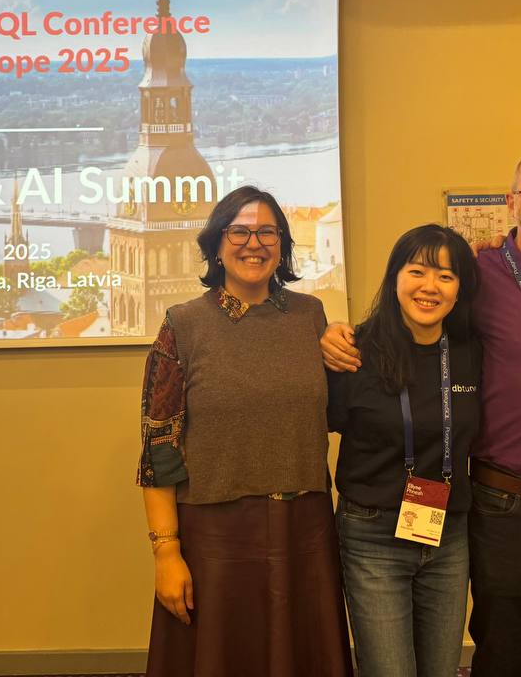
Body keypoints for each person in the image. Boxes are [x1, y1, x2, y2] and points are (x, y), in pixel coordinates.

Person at [323, 150, 521, 676]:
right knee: (501, 657)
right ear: (512, 202)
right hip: (507, 506)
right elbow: (412, 310)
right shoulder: (482, 272)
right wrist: (332, 329)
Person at [136, 184, 353, 677]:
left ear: (283, 245)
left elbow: (333, 410)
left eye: (267, 232)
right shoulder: (183, 325)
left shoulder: (310, 315)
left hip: (305, 528)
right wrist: (166, 553)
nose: (254, 243)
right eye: (239, 231)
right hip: (216, 537)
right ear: (216, 244)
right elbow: (159, 449)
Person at [327, 224, 483, 677]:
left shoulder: (472, 352)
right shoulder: (352, 351)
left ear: (459, 290)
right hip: (372, 535)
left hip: (448, 532)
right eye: (417, 271)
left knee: (441, 669)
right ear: (395, 277)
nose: (429, 287)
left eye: (446, 276)